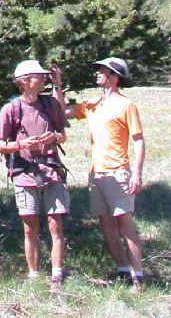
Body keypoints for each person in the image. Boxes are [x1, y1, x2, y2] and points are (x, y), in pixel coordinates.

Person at [53, 57, 145, 291]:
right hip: (97, 174)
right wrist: (57, 85)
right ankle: (123, 270)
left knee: (125, 224)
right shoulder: (92, 104)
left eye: (103, 71)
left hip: (119, 173)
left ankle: (139, 277)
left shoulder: (127, 106)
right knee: (106, 224)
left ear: (115, 77)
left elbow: (138, 140)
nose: (98, 73)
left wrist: (137, 173)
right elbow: (63, 112)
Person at [0, 59, 69, 291]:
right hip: (25, 173)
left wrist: (54, 139)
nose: (43, 79)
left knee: (55, 223)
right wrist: (21, 144)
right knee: (30, 227)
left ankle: (57, 274)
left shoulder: (50, 105)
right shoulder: (11, 109)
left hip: (51, 171)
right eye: (39, 76)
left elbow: (63, 134)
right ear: (25, 81)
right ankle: (34, 275)